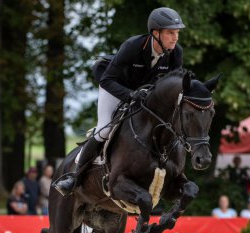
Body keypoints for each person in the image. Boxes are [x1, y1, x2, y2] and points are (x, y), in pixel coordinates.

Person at [53, 7, 185, 196]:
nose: (175, 37)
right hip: (115, 87)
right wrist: (130, 95)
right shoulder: (133, 46)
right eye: (170, 33)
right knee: (105, 129)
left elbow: (173, 85)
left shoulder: (176, 53)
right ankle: (74, 176)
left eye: (177, 33)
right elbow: (107, 80)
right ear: (156, 34)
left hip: (144, 94)